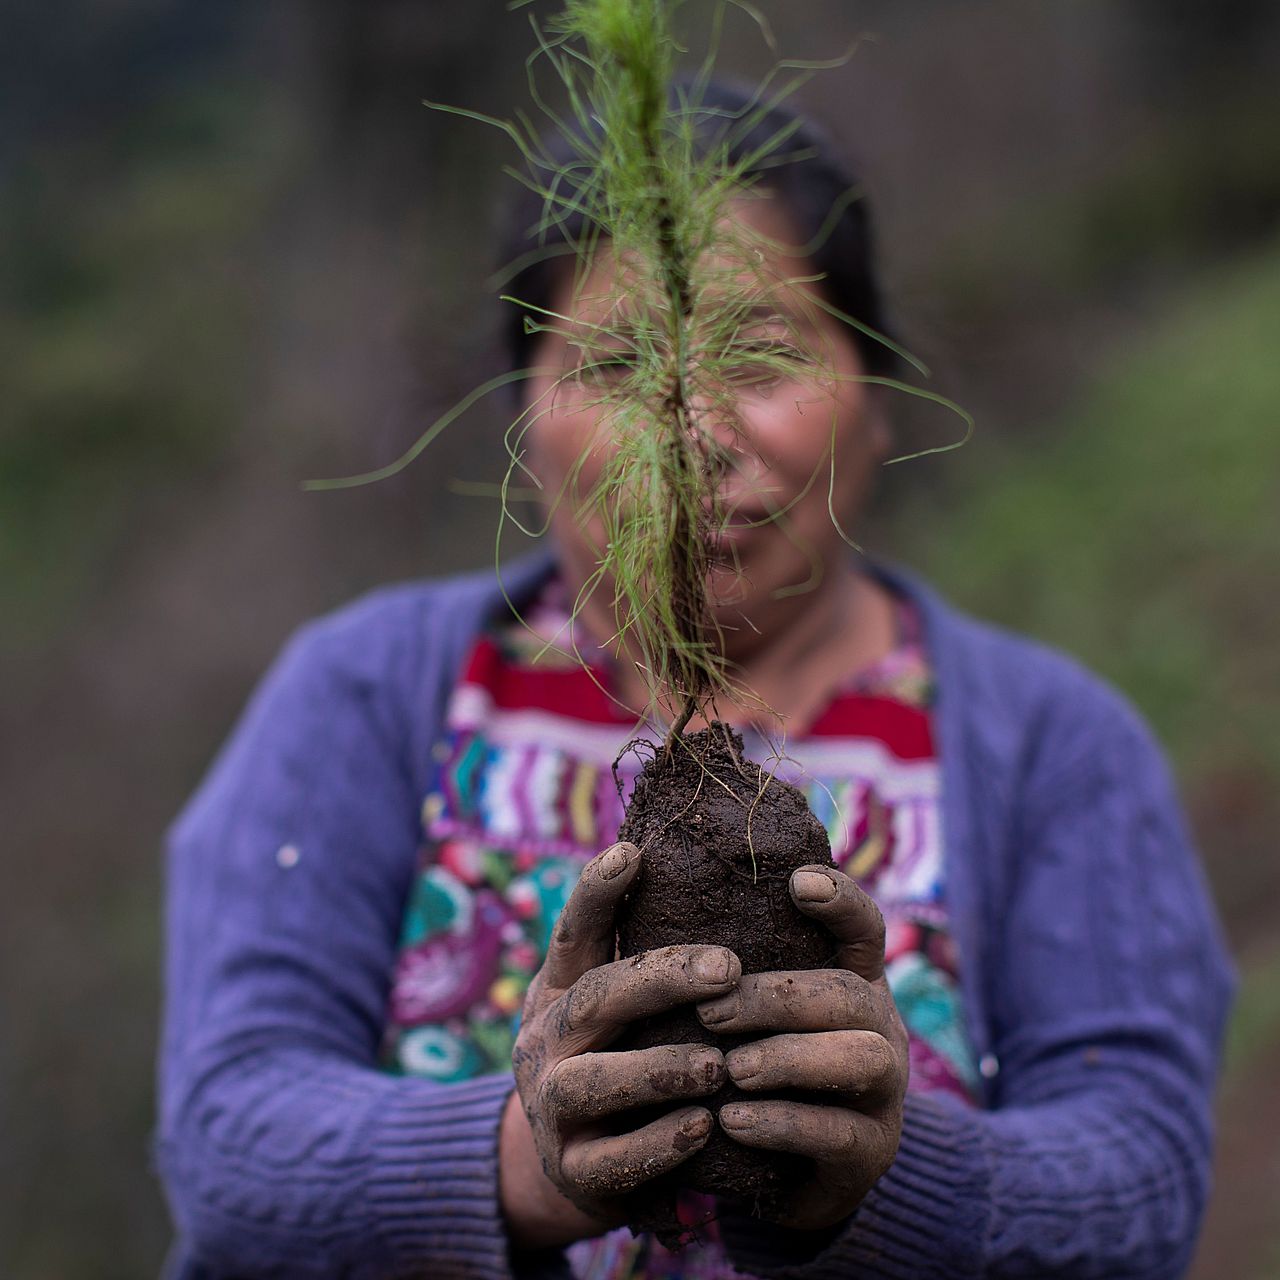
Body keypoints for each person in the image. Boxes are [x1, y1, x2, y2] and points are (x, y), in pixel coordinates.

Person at [155, 81, 1234, 1279]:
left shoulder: (1050, 744)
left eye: (758, 354)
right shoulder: (362, 693)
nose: (690, 434)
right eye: (615, 365)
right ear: (523, 417)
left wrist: (872, 1175)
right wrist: (530, 1153)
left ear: (872, 401)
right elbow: (228, 1143)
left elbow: (1135, 1184)